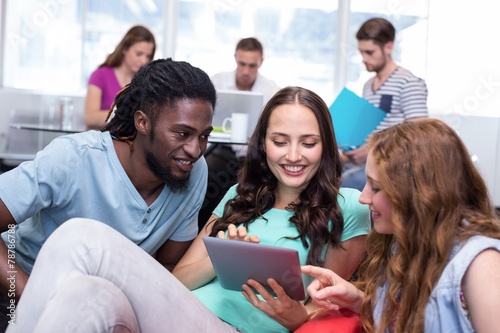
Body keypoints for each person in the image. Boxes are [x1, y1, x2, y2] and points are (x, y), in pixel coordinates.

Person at [7, 86, 371, 332]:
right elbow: (177, 281)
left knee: (81, 237)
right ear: (263, 144)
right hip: (179, 314)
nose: (293, 156)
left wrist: (297, 316)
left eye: (308, 143)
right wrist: (224, 254)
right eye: (279, 141)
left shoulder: (349, 207)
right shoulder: (239, 197)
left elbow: (330, 303)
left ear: (326, 146)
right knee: (84, 295)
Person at [0, 58, 216, 326]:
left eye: (204, 136)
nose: (195, 150)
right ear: (143, 122)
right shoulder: (74, 158)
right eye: (182, 133)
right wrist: (31, 294)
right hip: (18, 289)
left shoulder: (195, 173)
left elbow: (167, 268)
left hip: (100, 305)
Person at [299, 119, 500, 333]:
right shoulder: (403, 244)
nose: (363, 198)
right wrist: (358, 300)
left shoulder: (481, 265)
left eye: (376, 188)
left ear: (419, 195)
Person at [201, 37, 281, 230]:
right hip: (221, 148)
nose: (246, 71)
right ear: (235, 58)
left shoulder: (271, 90)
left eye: (252, 65)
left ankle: (236, 229)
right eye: (242, 64)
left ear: (261, 62)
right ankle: (203, 227)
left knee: (252, 184)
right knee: (206, 176)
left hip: (252, 153)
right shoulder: (217, 82)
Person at [341, 17, 428, 191]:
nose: (364, 58)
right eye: (361, 52)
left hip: (392, 168)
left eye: (370, 52)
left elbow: (419, 138)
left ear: (388, 47)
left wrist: (372, 150)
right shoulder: (368, 86)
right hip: (367, 162)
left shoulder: (409, 83)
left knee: (344, 183)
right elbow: (366, 132)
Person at [84, 25, 156, 130]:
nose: (144, 61)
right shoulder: (100, 75)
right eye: (139, 54)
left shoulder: (146, 82)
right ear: (125, 49)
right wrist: (124, 116)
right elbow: (90, 117)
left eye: (148, 56)